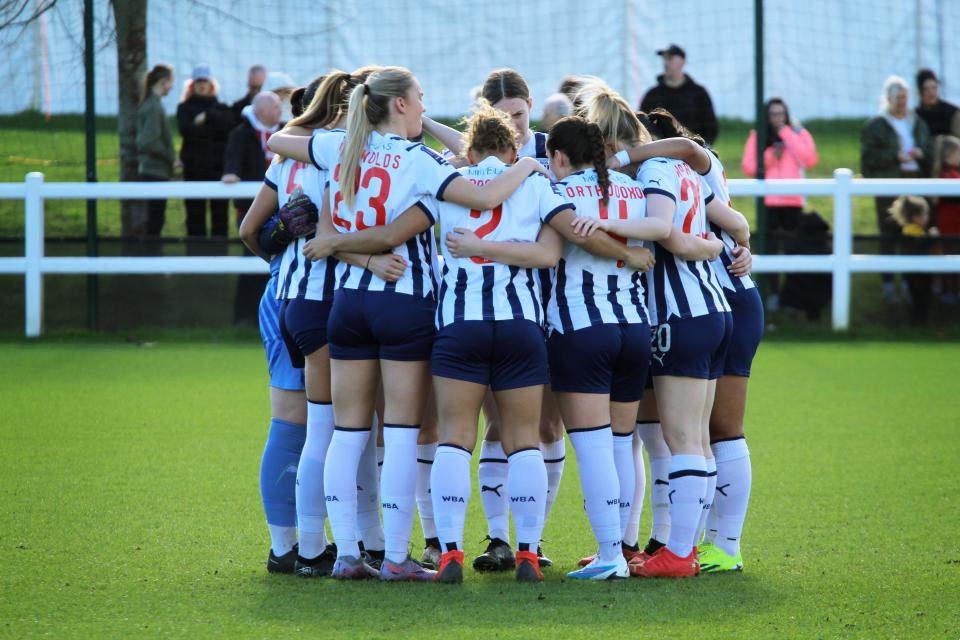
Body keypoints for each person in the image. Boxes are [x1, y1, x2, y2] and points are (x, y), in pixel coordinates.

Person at [267, 65, 550, 581]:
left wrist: (343, 246)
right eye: (419, 97)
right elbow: (485, 198)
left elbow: (280, 140)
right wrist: (529, 167)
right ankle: (397, 557)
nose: (424, 105)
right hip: (407, 303)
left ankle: (348, 553)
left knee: (346, 433)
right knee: (399, 434)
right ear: (399, 104)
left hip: (348, 303)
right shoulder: (418, 160)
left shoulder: (338, 147)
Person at [607, 107, 758, 574]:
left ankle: (715, 547)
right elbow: (735, 222)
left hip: (713, 303)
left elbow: (674, 229)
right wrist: (734, 243)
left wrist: (715, 248)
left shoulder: (679, 164)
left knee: (712, 431)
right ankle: (678, 543)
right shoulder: (674, 174)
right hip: (708, 301)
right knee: (682, 435)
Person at [423, 68, 562, 571]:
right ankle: (527, 550)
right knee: (524, 439)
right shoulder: (535, 180)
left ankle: (451, 551)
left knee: (456, 437)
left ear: (470, 151)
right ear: (512, 149)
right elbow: (549, 256)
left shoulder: (447, 181)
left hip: (460, 323)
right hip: (521, 322)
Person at [548, 116, 670, 581]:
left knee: (594, 445)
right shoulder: (632, 187)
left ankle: (608, 556)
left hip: (582, 328)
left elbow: (566, 240)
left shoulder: (558, 192)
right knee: (624, 443)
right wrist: (629, 254)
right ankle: (621, 545)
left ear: (559, 156)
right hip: (633, 328)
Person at [741, 98, 818, 311]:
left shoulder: (798, 133)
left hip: (793, 201)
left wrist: (787, 134)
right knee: (771, 248)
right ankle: (773, 294)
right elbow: (748, 166)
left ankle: (791, 298)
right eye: (773, 114)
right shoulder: (758, 137)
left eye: (781, 114)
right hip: (769, 201)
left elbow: (809, 159)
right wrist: (769, 157)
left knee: (794, 248)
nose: (777, 118)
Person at [861, 75, 932, 303]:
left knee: (913, 234)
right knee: (889, 233)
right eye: (898, 97)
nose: (902, 102)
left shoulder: (916, 122)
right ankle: (889, 285)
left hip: (915, 181)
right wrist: (895, 156)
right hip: (889, 184)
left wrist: (921, 153)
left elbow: (929, 148)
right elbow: (868, 158)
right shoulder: (877, 125)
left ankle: (914, 286)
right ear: (888, 98)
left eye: (905, 97)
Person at [223, 91, 283, 327]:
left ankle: (278, 318)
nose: (280, 109)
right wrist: (231, 172)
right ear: (260, 110)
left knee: (277, 265)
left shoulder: (287, 131)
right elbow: (233, 159)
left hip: (282, 214)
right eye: (275, 106)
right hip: (251, 212)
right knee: (254, 263)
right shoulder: (242, 134)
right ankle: (244, 318)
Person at [176, 65, 236, 252]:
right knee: (194, 214)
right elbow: (187, 131)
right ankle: (195, 255)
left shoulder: (221, 108)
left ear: (211, 85)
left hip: (217, 170)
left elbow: (227, 129)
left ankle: (220, 255)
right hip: (193, 171)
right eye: (198, 82)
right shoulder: (184, 108)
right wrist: (211, 126)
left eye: (205, 82)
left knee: (220, 214)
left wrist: (206, 117)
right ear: (192, 85)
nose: (202, 85)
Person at [640, 44, 718, 144]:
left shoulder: (698, 93)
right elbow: (642, 124)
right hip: (660, 152)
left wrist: (702, 148)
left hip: (693, 151)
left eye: (670, 58)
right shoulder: (653, 95)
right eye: (664, 59)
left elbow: (710, 127)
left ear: (682, 61)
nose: (666, 63)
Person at [135, 63, 176, 250]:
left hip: (154, 170)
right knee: (155, 219)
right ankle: (150, 259)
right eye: (170, 82)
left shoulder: (153, 104)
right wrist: (171, 157)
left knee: (155, 218)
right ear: (163, 81)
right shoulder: (153, 107)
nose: (171, 87)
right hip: (154, 171)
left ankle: (150, 258)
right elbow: (148, 141)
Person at [890, 196, 936, 324]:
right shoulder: (912, 231)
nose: (926, 218)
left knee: (919, 297)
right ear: (915, 217)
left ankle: (918, 322)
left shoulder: (915, 230)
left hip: (915, 272)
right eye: (924, 215)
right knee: (921, 298)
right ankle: (919, 322)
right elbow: (920, 246)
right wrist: (932, 237)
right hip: (918, 272)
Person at [933, 135, 960, 303]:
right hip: (951, 223)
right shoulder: (946, 175)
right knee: (950, 254)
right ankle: (949, 291)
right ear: (949, 155)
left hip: (954, 222)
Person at [915, 69, 960, 140]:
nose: (931, 93)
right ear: (919, 92)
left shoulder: (952, 113)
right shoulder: (916, 117)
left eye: (934, 88)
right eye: (926, 89)